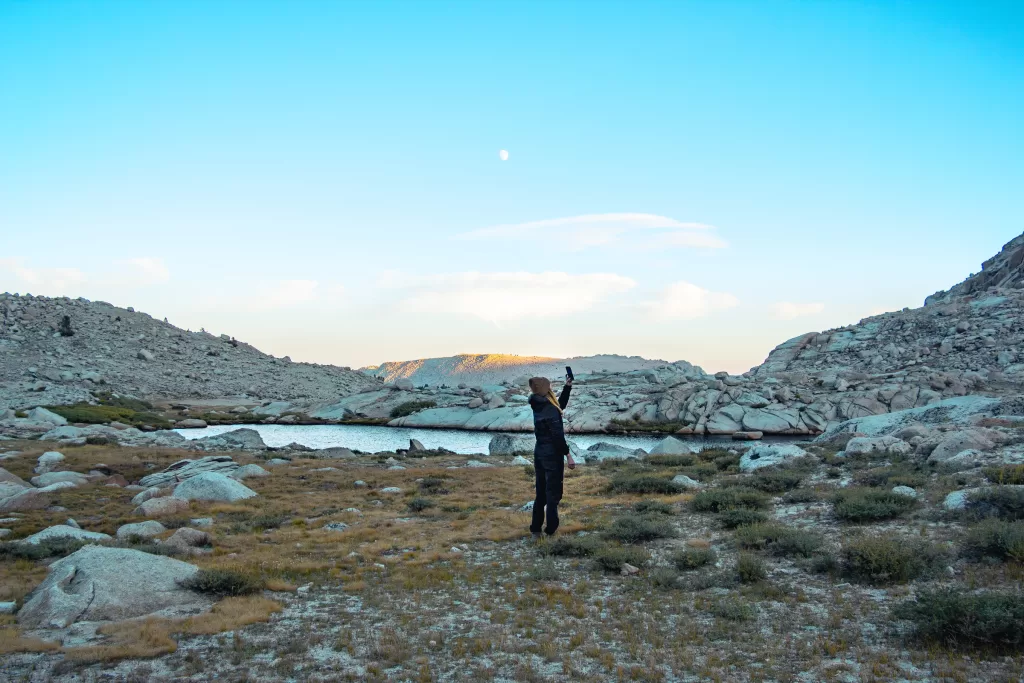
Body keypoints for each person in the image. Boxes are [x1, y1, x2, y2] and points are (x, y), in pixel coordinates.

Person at [528, 375, 576, 537]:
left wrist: (567, 387)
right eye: (548, 386)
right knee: (553, 493)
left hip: (539, 452)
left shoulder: (538, 403)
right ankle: (551, 530)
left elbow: (559, 405)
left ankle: (535, 528)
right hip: (552, 455)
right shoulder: (549, 409)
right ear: (545, 389)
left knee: (540, 492)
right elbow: (557, 436)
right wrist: (568, 454)